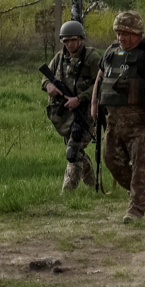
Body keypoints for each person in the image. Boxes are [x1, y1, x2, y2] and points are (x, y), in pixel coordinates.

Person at [90, 11, 145, 223]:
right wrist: (94, 104)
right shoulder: (111, 52)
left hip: (143, 123)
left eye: (126, 33)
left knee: (141, 166)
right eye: (118, 32)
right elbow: (100, 77)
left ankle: (136, 209)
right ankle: (142, 191)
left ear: (138, 33)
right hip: (114, 122)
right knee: (111, 160)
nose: (121, 37)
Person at [42, 20, 101, 192]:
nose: (70, 44)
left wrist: (80, 98)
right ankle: (92, 186)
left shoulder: (91, 57)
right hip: (65, 113)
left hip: (85, 111)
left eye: (73, 40)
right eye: (66, 40)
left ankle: (67, 193)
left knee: (73, 152)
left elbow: (101, 83)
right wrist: (48, 86)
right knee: (76, 151)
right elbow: (46, 77)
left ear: (81, 39)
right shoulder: (59, 57)